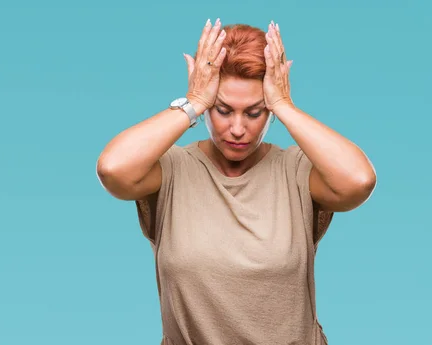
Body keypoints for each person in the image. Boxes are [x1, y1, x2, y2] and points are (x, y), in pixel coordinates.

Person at [96, 19, 376, 345]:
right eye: (223, 110)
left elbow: (359, 180)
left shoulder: (297, 170)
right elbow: (112, 170)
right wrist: (195, 101)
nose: (238, 129)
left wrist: (284, 105)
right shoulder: (171, 169)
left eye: (255, 112)